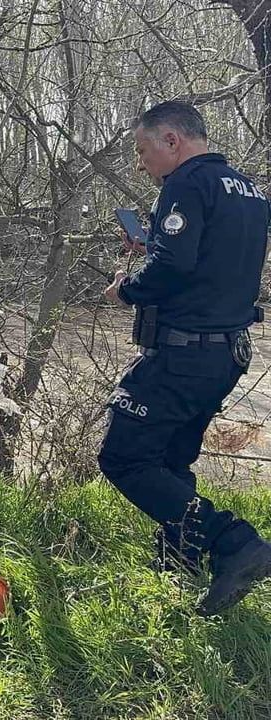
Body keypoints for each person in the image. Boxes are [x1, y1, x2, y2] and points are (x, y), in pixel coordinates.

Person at [100, 101, 271, 615]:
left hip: (184, 352)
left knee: (124, 458)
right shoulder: (249, 191)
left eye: (142, 149)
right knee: (171, 457)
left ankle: (234, 541)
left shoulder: (186, 184)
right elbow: (209, 261)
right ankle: (183, 556)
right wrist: (153, 245)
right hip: (226, 351)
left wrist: (128, 288)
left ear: (172, 140)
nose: (140, 162)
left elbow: (174, 268)